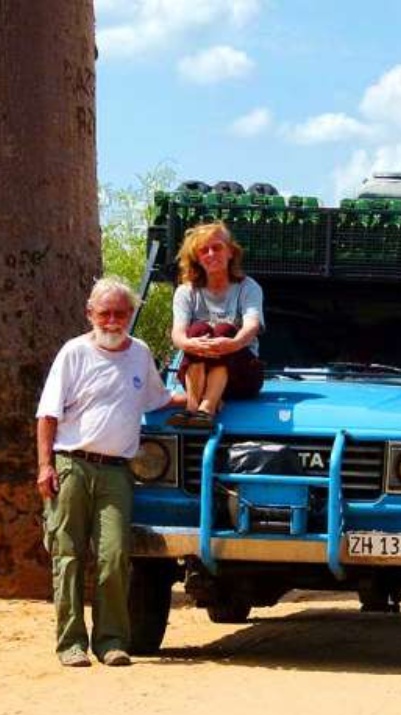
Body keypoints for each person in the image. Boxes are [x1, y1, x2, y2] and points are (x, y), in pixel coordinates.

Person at [36, 277, 183, 668]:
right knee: (67, 556)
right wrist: (45, 466)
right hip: (72, 465)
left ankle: (112, 641)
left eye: (121, 313)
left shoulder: (140, 354)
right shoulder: (73, 353)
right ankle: (70, 644)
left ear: (131, 314)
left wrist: (207, 399)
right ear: (90, 314)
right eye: (106, 313)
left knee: (115, 555)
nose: (113, 320)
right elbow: (47, 414)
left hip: (117, 471)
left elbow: (161, 399)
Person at [168, 222, 264, 428]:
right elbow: (178, 334)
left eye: (217, 247)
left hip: (242, 377)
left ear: (230, 252)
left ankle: (207, 409)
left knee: (225, 331)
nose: (211, 254)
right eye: (204, 250)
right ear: (197, 259)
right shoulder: (186, 292)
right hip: (197, 381)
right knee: (197, 331)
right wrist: (190, 344)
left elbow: (252, 326)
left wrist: (234, 343)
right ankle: (193, 408)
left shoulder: (248, 287)